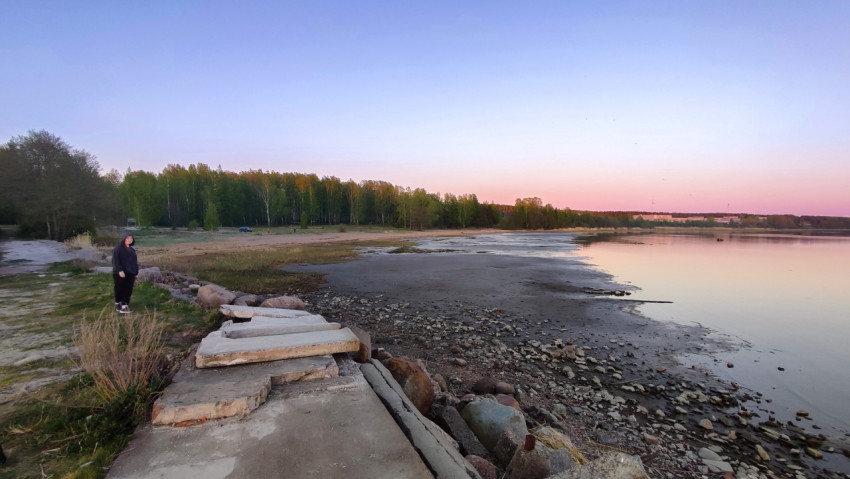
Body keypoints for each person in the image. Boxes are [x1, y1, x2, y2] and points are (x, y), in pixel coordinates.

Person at [112, 234, 138, 314]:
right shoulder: (118, 248)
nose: (130, 239)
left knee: (128, 289)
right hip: (120, 273)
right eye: (128, 238)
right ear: (123, 239)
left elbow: (134, 262)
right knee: (119, 288)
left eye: (131, 238)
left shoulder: (132, 250)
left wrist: (136, 273)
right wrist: (119, 270)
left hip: (130, 272)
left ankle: (124, 306)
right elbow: (115, 260)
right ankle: (119, 304)